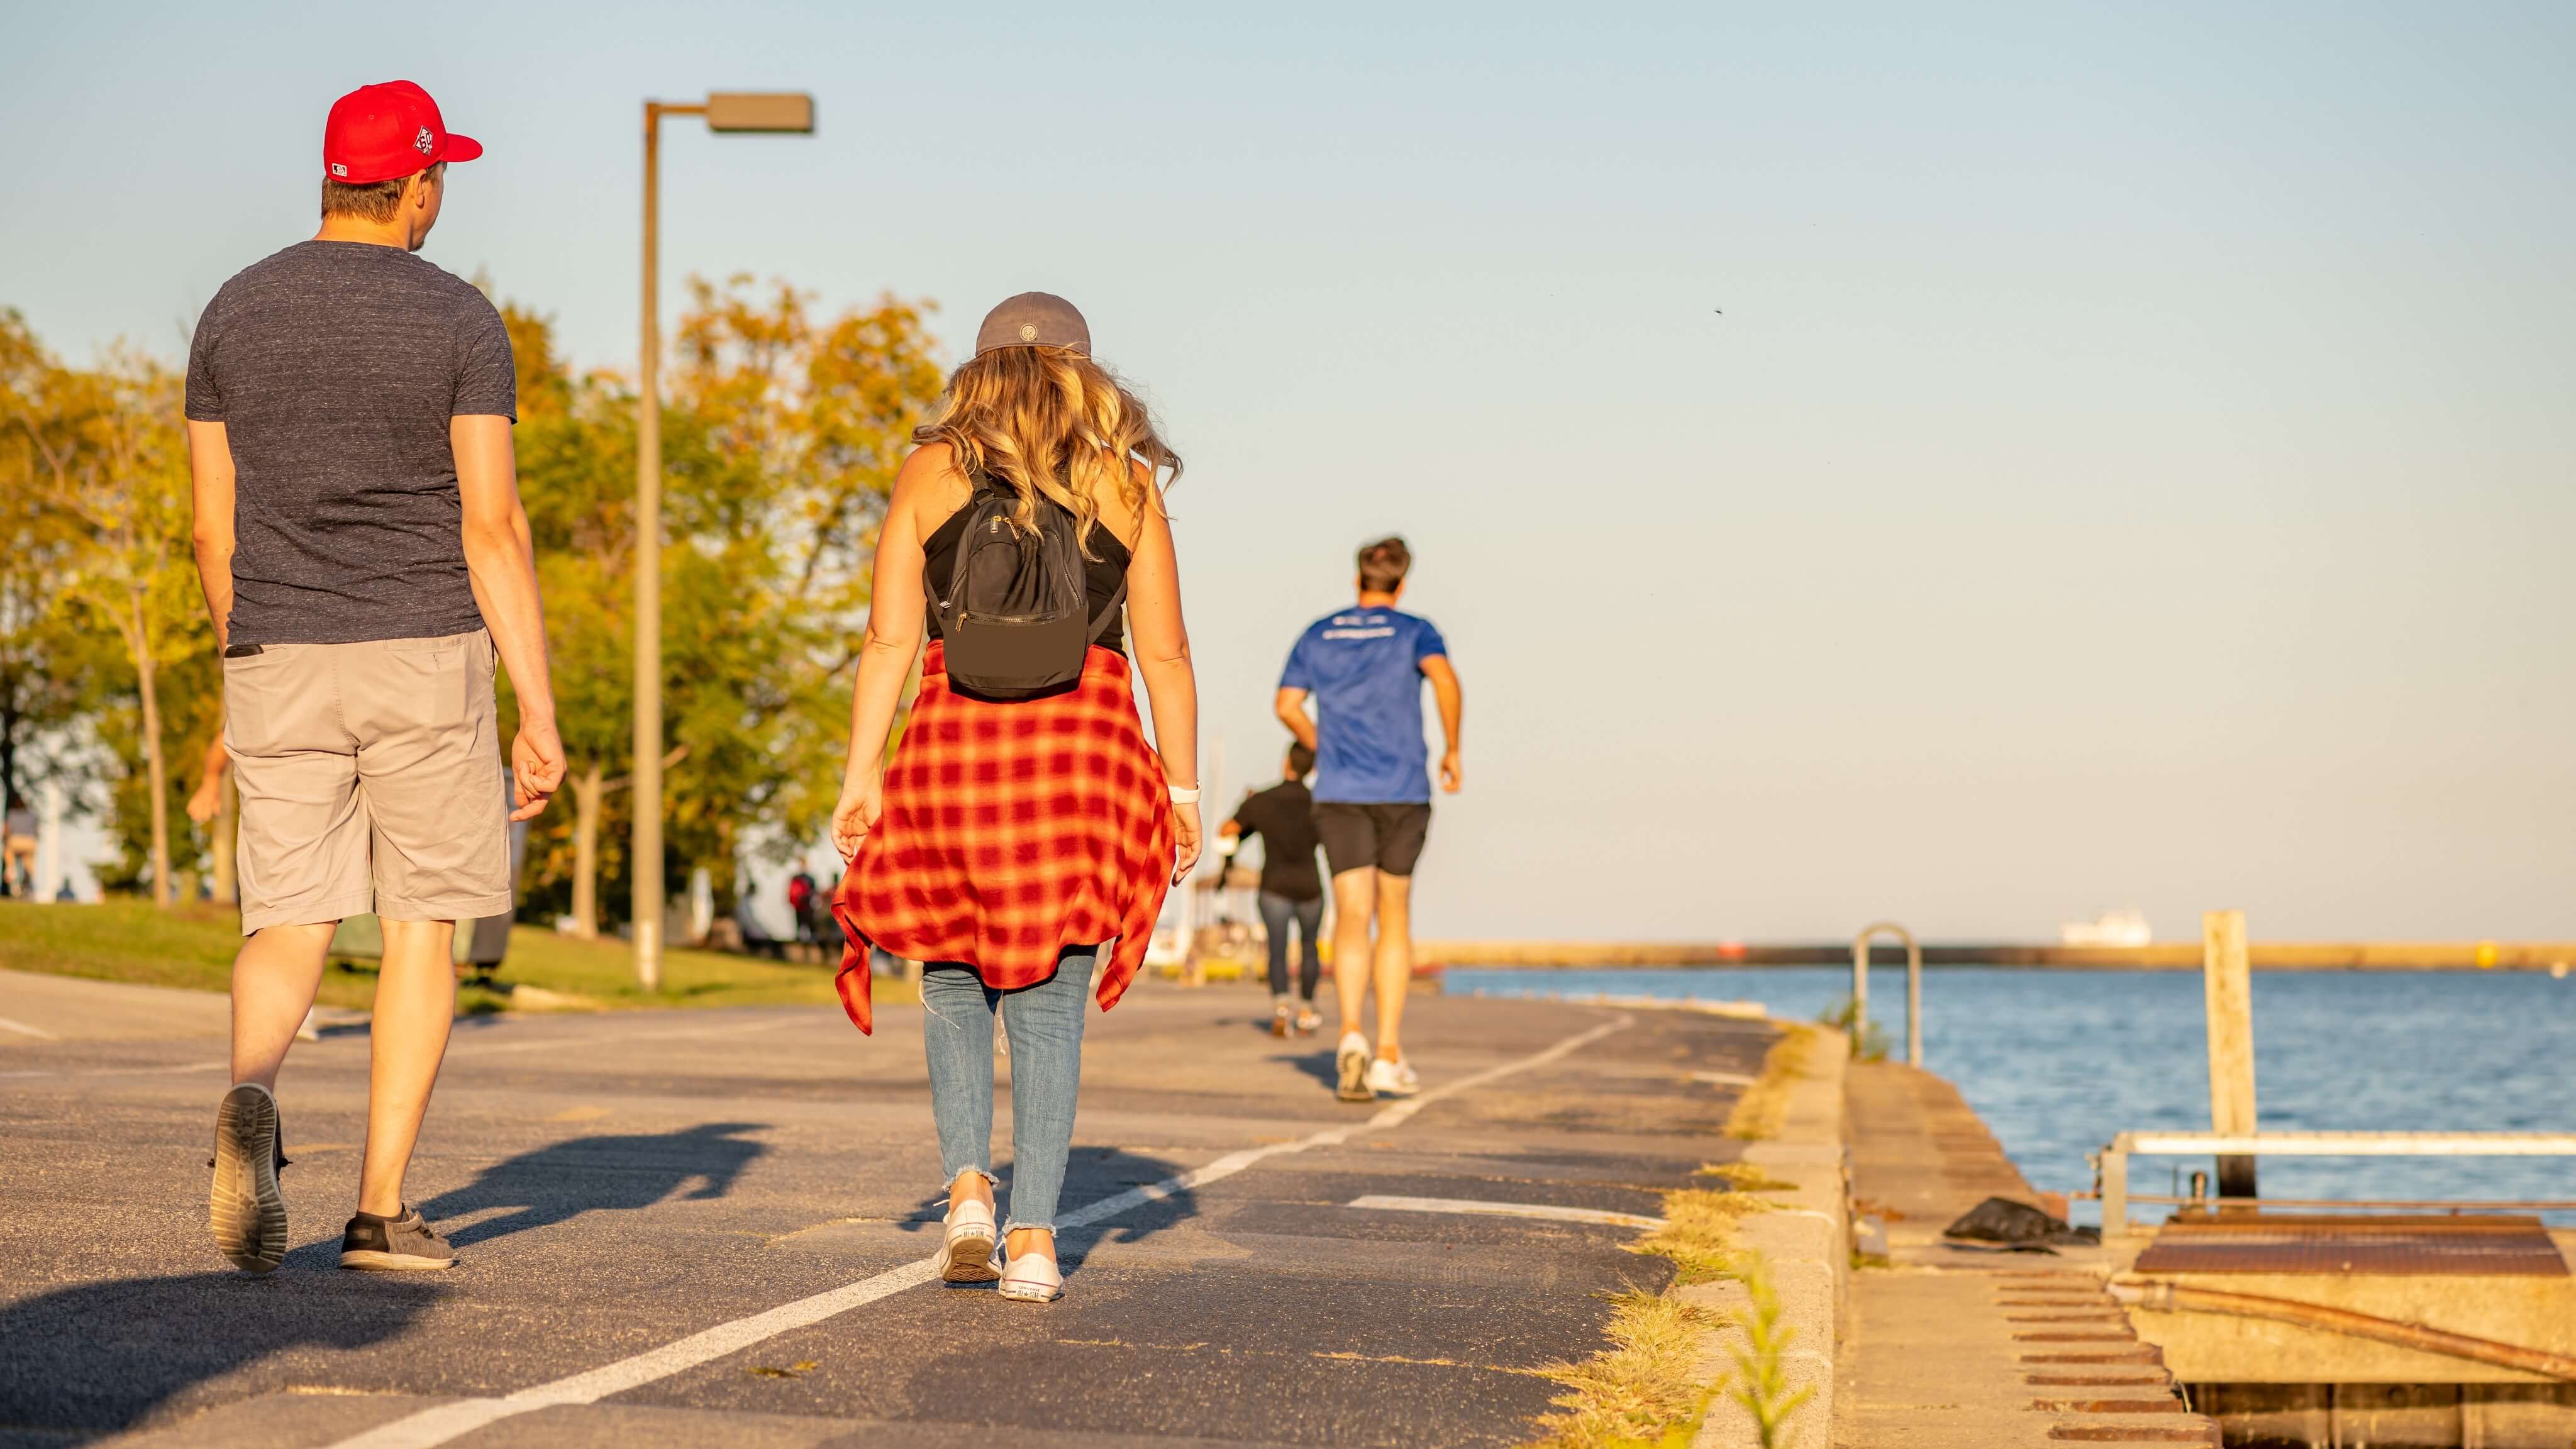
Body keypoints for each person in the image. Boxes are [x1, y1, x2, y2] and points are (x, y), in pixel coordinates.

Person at [185, 80, 562, 1275]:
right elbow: (492, 525)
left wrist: (245, 645)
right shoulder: (460, 320)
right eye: (436, 176)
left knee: (288, 915)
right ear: (414, 186)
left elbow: (210, 527)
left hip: (277, 650)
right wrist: (538, 709)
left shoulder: (231, 313)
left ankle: (251, 1093)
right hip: (423, 653)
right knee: (419, 926)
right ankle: (380, 1210)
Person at [830, 292, 1197, 1306]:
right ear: (1087, 371)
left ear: (981, 369)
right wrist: (1184, 789)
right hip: (1081, 756)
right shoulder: (1124, 486)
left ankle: (965, 1197)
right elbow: (1162, 653)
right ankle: (1034, 1242)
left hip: (955, 746)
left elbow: (890, 644)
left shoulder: (930, 472)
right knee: (1051, 999)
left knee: (952, 974)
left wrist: (862, 776)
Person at [1275, 536, 1463, 1102]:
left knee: (1351, 914)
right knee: (1394, 913)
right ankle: (1386, 1054)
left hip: (1340, 792)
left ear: (1358, 578)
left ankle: (1351, 1035)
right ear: (1401, 583)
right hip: (1401, 791)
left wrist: (1322, 743)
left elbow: (1286, 704)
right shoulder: (1415, 631)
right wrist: (1453, 749)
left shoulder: (1321, 632)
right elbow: (1447, 681)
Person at [1221, 743, 1326, 1037]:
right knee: (1309, 948)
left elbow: (1227, 830)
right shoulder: (1320, 803)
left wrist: (1244, 813)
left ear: (1286, 763)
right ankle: (1306, 1010)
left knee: (1277, 950)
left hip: (1274, 887)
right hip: (1310, 887)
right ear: (1313, 769)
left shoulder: (1263, 799)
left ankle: (1282, 1010)